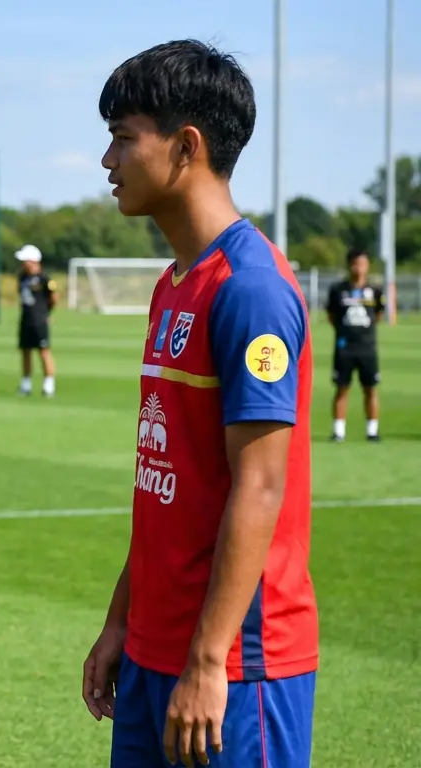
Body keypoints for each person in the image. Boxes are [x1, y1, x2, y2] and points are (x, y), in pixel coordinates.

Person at [84, 40, 317, 768]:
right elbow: (167, 478)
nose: (108, 160)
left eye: (123, 138)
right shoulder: (174, 283)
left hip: (235, 663)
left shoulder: (249, 288)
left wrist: (210, 661)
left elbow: (260, 483)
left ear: (186, 146)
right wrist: (124, 618)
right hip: (157, 647)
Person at [326, 247, 385, 442]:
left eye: (363, 264)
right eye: (356, 263)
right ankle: (338, 431)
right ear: (349, 265)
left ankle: (372, 430)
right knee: (342, 387)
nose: (359, 268)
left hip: (367, 347)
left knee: (370, 388)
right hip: (345, 347)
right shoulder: (338, 290)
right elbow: (332, 315)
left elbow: (378, 315)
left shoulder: (375, 290)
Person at [15, 244, 57, 397]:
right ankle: (26, 383)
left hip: (39, 320)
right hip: (25, 319)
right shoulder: (21, 277)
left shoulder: (45, 278)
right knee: (25, 351)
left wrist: (46, 313)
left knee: (43, 351)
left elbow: (53, 298)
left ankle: (49, 383)